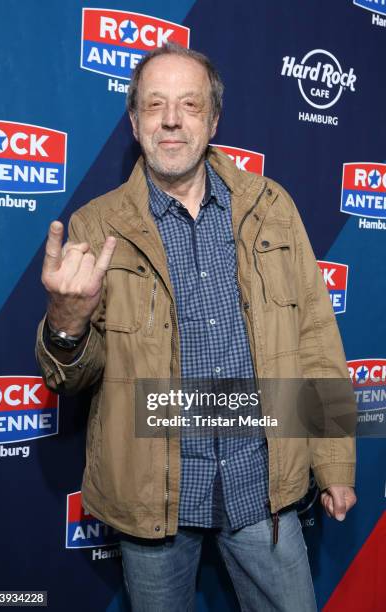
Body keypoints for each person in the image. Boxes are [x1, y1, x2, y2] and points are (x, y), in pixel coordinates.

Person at [36, 43, 356, 611]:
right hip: (154, 499)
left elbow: (316, 339)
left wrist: (332, 462)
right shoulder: (96, 225)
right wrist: (67, 322)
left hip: (263, 486)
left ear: (213, 119)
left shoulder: (272, 207)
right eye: (154, 104)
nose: (172, 119)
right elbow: (69, 381)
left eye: (190, 103)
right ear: (135, 122)